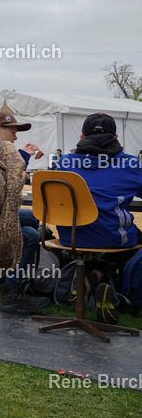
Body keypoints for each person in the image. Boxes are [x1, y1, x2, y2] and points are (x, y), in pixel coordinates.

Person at [56, 113, 142, 323]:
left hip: (70, 237)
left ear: (81, 135)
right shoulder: (130, 164)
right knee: (134, 237)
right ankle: (99, 275)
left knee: (101, 234)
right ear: (116, 136)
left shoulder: (65, 162)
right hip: (111, 237)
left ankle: (90, 277)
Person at [0, 111, 51, 314]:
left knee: (33, 219)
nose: (15, 137)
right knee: (31, 234)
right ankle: (9, 291)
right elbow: (2, 189)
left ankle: (2, 277)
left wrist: (23, 156)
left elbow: (7, 177)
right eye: (12, 132)